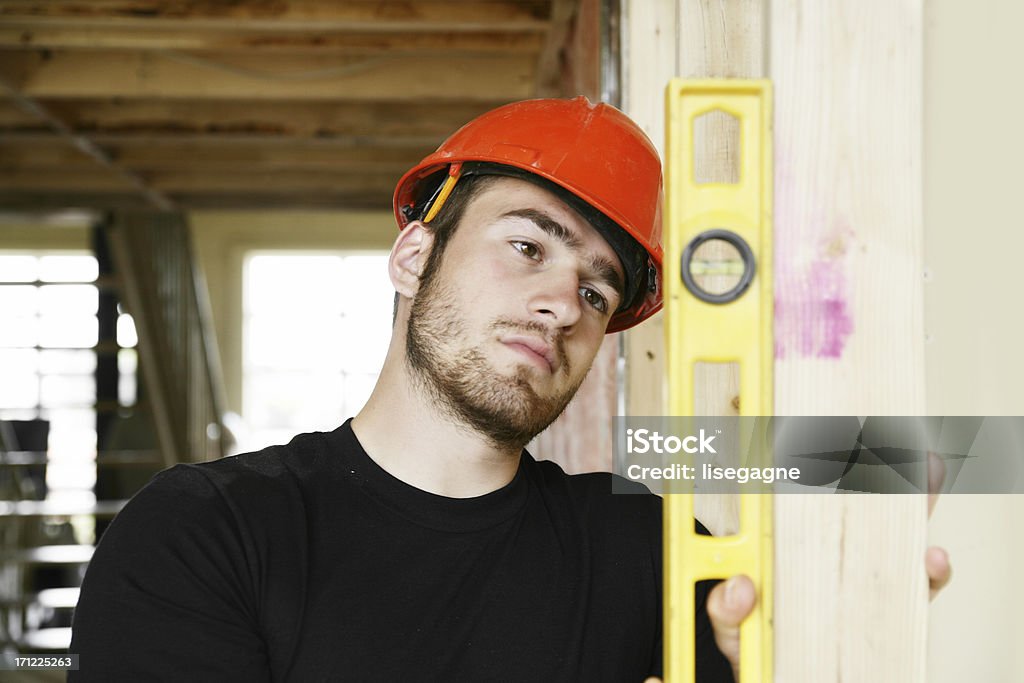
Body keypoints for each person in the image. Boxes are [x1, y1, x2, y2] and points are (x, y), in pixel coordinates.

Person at [68, 97, 950, 682]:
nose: (564, 301)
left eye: (597, 290)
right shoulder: (205, 532)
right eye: (529, 246)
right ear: (415, 256)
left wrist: (846, 619)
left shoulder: (642, 544)